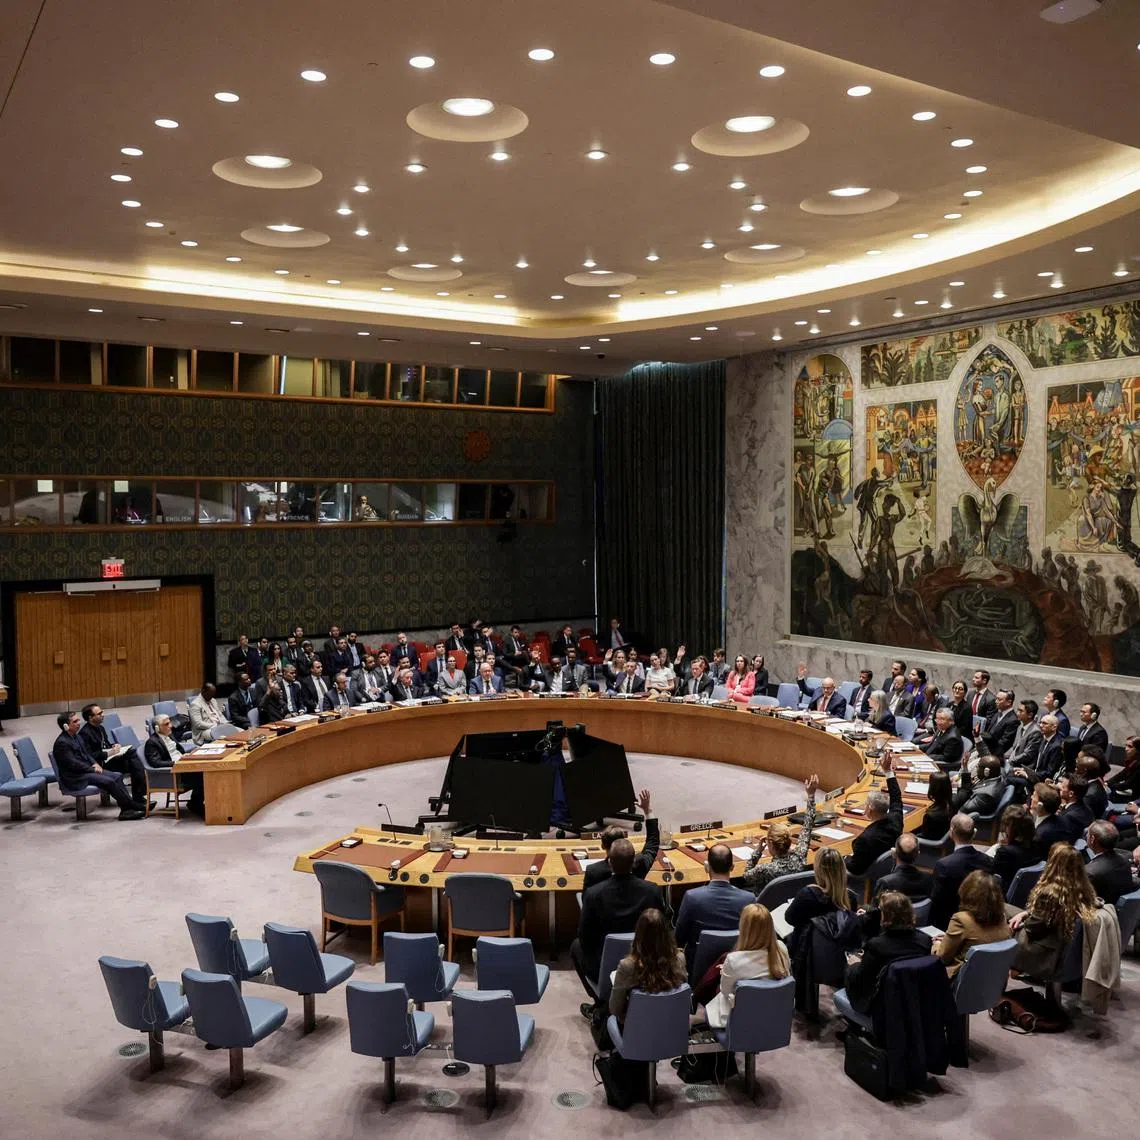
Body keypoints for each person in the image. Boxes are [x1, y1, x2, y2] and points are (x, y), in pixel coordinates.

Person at [573, 837, 664, 1014]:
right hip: (643, 960)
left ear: (609, 863)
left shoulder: (593, 894)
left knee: (576, 947)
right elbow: (662, 928)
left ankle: (602, 1001)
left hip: (603, 963)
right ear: (634, 862)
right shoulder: (652, 890)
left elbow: (584, 937)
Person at [1009, 844, 1097, 979]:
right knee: (1006, 911)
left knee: (1001, 923)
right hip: (1056, 944)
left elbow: (1033, 929)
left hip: (1041, 951)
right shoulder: (1084, 889)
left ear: (1054, 864)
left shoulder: (1050, 893)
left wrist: (1017, 925)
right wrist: (1026, 913)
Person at [702, 903, 790, 1029]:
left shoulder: (733, 960)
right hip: (773, 1015)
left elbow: (725, 991)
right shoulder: (782, 949)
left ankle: (695, 1004)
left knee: (716, 980)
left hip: (741, 1019)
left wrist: (725, 971)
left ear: (744, 929)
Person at [843, 891, 932, 1013]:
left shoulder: (876, 946)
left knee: (849, 968)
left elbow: (860, 978)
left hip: (880, 1004)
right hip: (912, 999)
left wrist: (854, 964)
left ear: (886, 916)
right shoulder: (925, 940)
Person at [674, 844, 755, 969]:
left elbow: (679, 938)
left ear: (707, 867)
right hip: (737, 966)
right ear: (732, 867)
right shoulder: (749, 899)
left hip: (698, 968)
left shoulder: (692, 897)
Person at [52, 711, 142, 819]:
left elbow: (87, 754)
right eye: (75, 721)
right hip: (75, 777)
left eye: (78, 720)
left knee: (117, 776)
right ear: (65, 726)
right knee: (109, 781)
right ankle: (131, 806)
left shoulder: (77, 737)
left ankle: (127, 809)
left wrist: (95, 763)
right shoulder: (62, 743)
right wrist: (92, 769)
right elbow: (73, 764)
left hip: (86, 771)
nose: (79, 723)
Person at [608, 908, 687, 1026]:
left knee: (609, 1020)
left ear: (638, 934)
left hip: (636, 1030)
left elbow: (614, 1009)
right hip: (671, 1026)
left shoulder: (627, 966)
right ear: (666, 933)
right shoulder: (680, 958)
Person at [742, 775, 818, 892]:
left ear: (771, 845)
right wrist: (811, 796)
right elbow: (807, 827)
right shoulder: (799, 856)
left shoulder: (764, 869)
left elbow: (746, 876)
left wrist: (758, 852)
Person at [932, 871, 1010, 978]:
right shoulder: (1002, 918)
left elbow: (942, 958)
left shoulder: (961, 919)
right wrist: (948, 940)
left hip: (961, 981)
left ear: (967, 891)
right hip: (992, 981)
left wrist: (937, 944)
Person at [928, 814, 994, 930]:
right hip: (981, 919)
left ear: (951, 832)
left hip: (951, 923)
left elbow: (937, 902)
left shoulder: (944, 865)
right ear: (974, 833)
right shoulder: (988, 860)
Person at [584, 790, 658, 888]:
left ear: (603, 845)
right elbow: (652, 843)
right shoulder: (640, 863)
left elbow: (588, 896)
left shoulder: (593, 871)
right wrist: (648, 811)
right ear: (623, 842)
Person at [782, 847, 851, 950]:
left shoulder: (808, 894)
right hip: (834, 951)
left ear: (818, 869)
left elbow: (789, 919)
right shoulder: (850, 899)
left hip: (805, 950)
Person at [79, 703, 146, 809]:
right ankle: (138, 798)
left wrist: (114, 746)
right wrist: (109, 753)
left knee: (133, 758)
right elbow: (89, 755)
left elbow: (105, 744)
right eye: (99, 713)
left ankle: (138, 797)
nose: (102, 715)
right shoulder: (84, 734)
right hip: (100, 765)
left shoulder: (100, 728)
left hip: (110, 760)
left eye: (102, 712)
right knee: (133, 763)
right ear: (90, 718)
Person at [847, 753, 902, 875]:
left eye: (866, 804)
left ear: (870, 808)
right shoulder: (896, 819)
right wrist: (888, 772)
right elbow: (896, 798)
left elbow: (855, 868)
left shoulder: (865, 839)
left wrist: (845, 858)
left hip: (867, 872)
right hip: (889, 866)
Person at [144, 712, 204, 817]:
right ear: (157, 728)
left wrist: (187, 755)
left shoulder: (169, 735)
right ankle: (195, 804)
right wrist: (176, 762)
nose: (171, 726)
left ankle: (196, 802)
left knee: (205, 770)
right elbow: (155, 763)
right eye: (166, 724)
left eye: (170, 723)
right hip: (173, 774)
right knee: (203, 775)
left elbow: (178, 750)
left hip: (182, 765)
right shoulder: (152, 742)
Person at [989, 804, 1040, 887]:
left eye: (1007, 825)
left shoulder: (1005, 852)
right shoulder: (1037, 846)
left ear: (1011, 828)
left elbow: (992, 879)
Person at [1085, 821, 1134, 903]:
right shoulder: (1126, 860)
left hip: (1102, 909)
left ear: (1092, 839)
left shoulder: (1090, 872)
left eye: (1088, 834)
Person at [875, 833, 932, 900]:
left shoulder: (885, 883)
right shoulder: (929, 878)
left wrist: (894, 861)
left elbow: (876, 906)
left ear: (894, 853)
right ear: (918, 854)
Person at [1006, 698, 1044, 771]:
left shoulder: (1036, 732)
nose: (1017, 713)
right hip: (1013, 762)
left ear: (1030, 715)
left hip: (1023, 767)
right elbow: (1014, 747)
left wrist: (1010, 761)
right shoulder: (1020, 726)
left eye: (1021, 711)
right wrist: (1002, 757)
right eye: (1018, 710)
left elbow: (1027, 755)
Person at [979, 689, 1018, 758]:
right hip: (986, 749)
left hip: (996, 755)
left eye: (999, 700)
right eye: (996, 699)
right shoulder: (997, 713)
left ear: (1009, 702)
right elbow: (988, 732)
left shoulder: (1013, 720)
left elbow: (1004, 743)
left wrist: (986, 752)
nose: (996, 701)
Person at [916, 771, 953, 840]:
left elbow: (925, 836)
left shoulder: (930, 816)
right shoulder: (953, 804)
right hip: (945, 840)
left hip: (930, 843)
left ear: (933, 788)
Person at [1057, 773, 1094, 841]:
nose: (1059, 787)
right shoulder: (1085, 806)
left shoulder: (1069, 817)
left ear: (1071, 794)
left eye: (1063, 787)